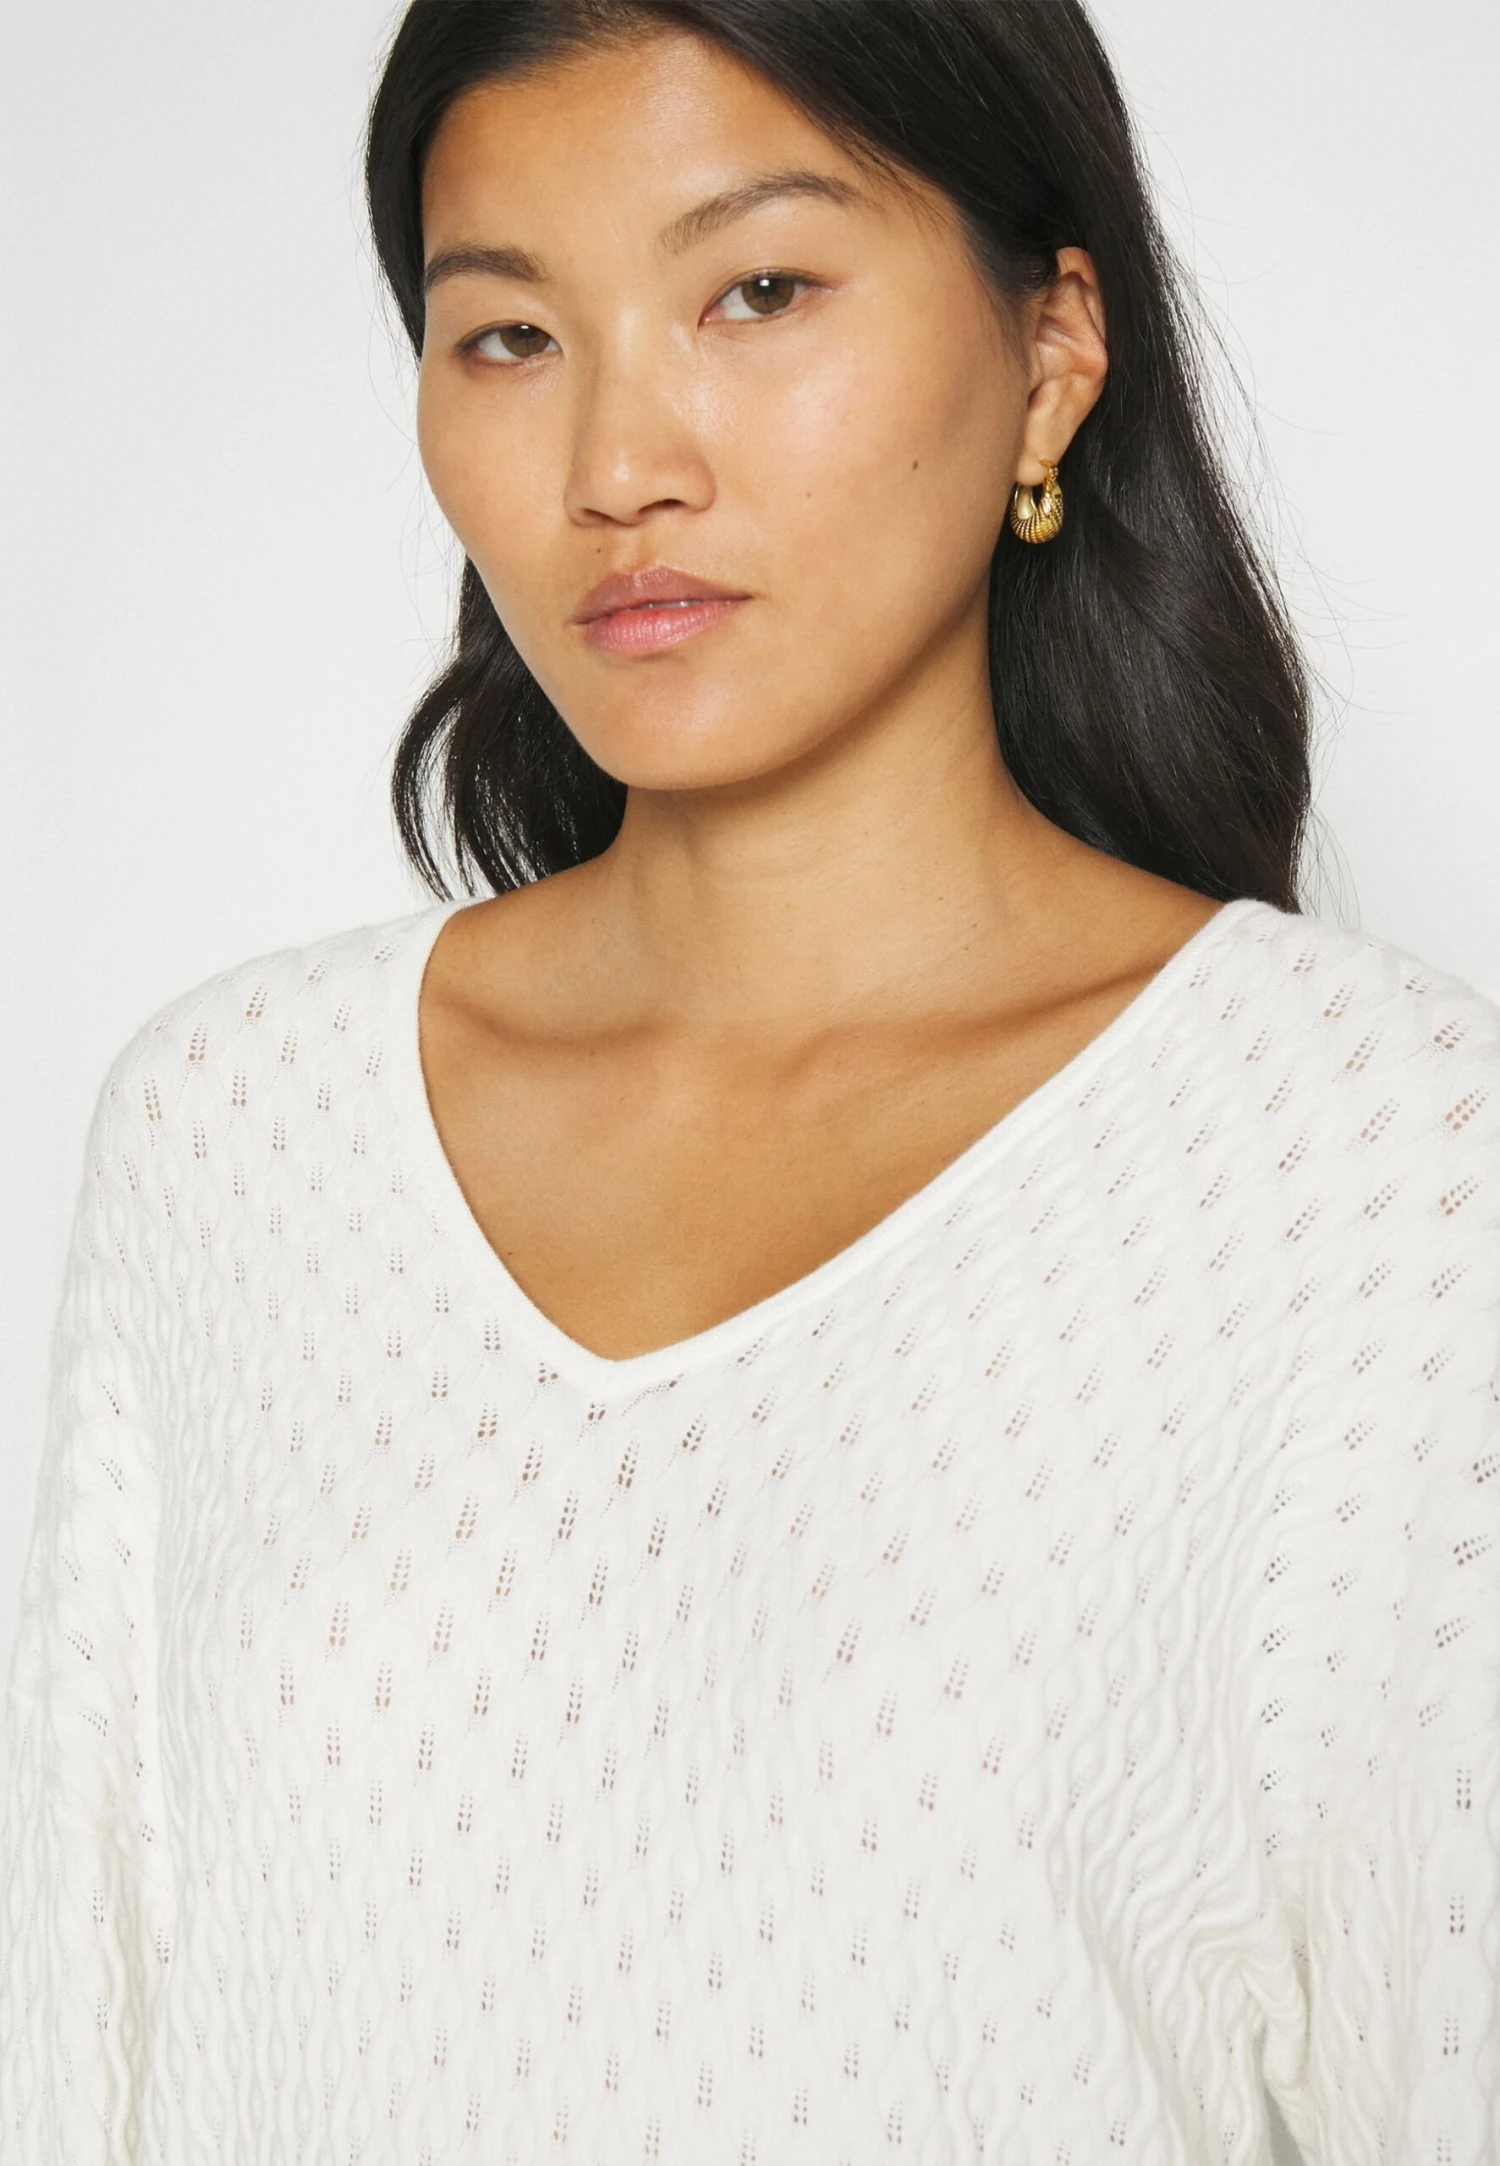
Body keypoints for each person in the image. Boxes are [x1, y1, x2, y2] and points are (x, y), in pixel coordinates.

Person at [2, 0, 1496, 2158]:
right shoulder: (231, 1135)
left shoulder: (1383, 1166)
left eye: (760, 292)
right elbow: (77, 2054)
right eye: (510, 336)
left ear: (1052, 351)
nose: (619, 465)